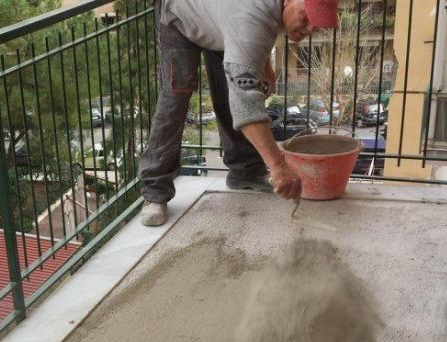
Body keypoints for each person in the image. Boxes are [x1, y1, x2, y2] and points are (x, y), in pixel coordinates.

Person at [139, 0, 338, 226]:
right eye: (307, 16)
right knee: (175, 101)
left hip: (222, 13)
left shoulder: (263, 14)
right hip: (181, 16)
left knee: (230, 91)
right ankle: (155, 190)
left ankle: (245, 172)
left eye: (319, 22)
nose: (311, 28)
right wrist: (279, 166)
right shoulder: (250, 16)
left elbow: (252, 37)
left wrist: (264, 66)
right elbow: (246, 104)